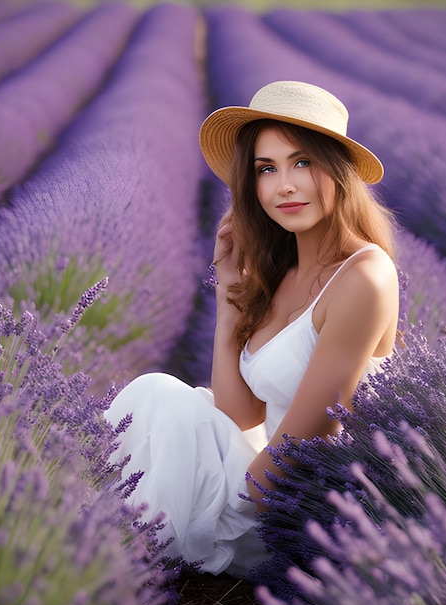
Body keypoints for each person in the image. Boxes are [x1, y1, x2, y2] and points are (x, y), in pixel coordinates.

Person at [104, 80, 399, 577]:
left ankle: (105, 562)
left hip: (294, 510)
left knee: (159, 418)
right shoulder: (282, 273)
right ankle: (100, 549)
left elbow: (305, 449)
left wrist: (214, 506)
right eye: (267, 169)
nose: (284, 185)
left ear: (340, 169)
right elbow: (240, 414)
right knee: (156, 398)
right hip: (259, 474)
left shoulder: (365, 277)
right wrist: (227, 298)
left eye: (303, 162)